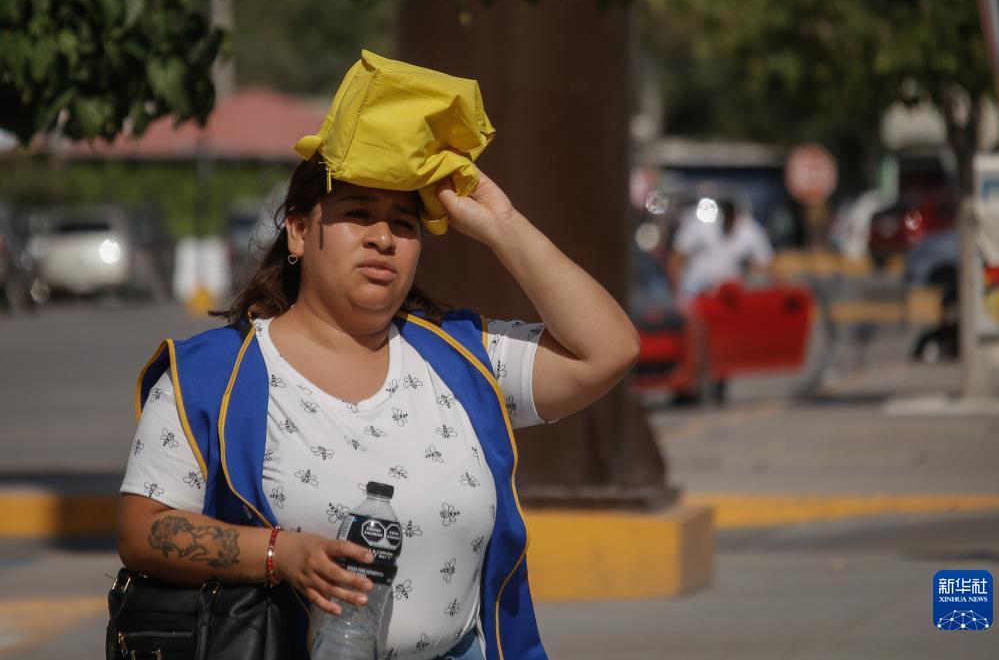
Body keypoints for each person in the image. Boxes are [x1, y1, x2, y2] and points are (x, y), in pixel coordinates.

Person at [115, 57, 639, 660]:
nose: (383, 238)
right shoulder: (211, 375)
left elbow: (609, 349)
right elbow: (141, 529)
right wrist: (278, 554)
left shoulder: (460, 358)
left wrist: (502, 224)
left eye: (404, 223)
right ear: (297, 231)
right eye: (358, 214)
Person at [666, 196, 774, 302]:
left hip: (730, 294)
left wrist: (749, 270)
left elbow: (766, 263)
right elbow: (677, 256)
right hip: (695, 288)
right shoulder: (701, 222)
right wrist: (677, 293)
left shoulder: (750, 229)